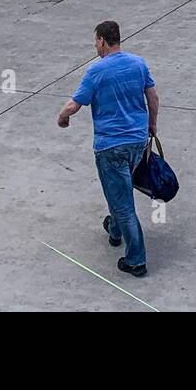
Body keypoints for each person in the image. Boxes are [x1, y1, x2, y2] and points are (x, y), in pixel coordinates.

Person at [57, 19, 159, 277]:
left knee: (123, 203)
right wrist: (152, 125)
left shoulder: (96, 71)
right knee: (120, 191)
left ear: (102, 40)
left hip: (111, 146)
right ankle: (114, 229)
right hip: (137, 142)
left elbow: (73, 105)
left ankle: (136, 260)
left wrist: (62, 118)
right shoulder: (138, 63)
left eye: (95, 41)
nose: (95, 45)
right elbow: (153, 97)